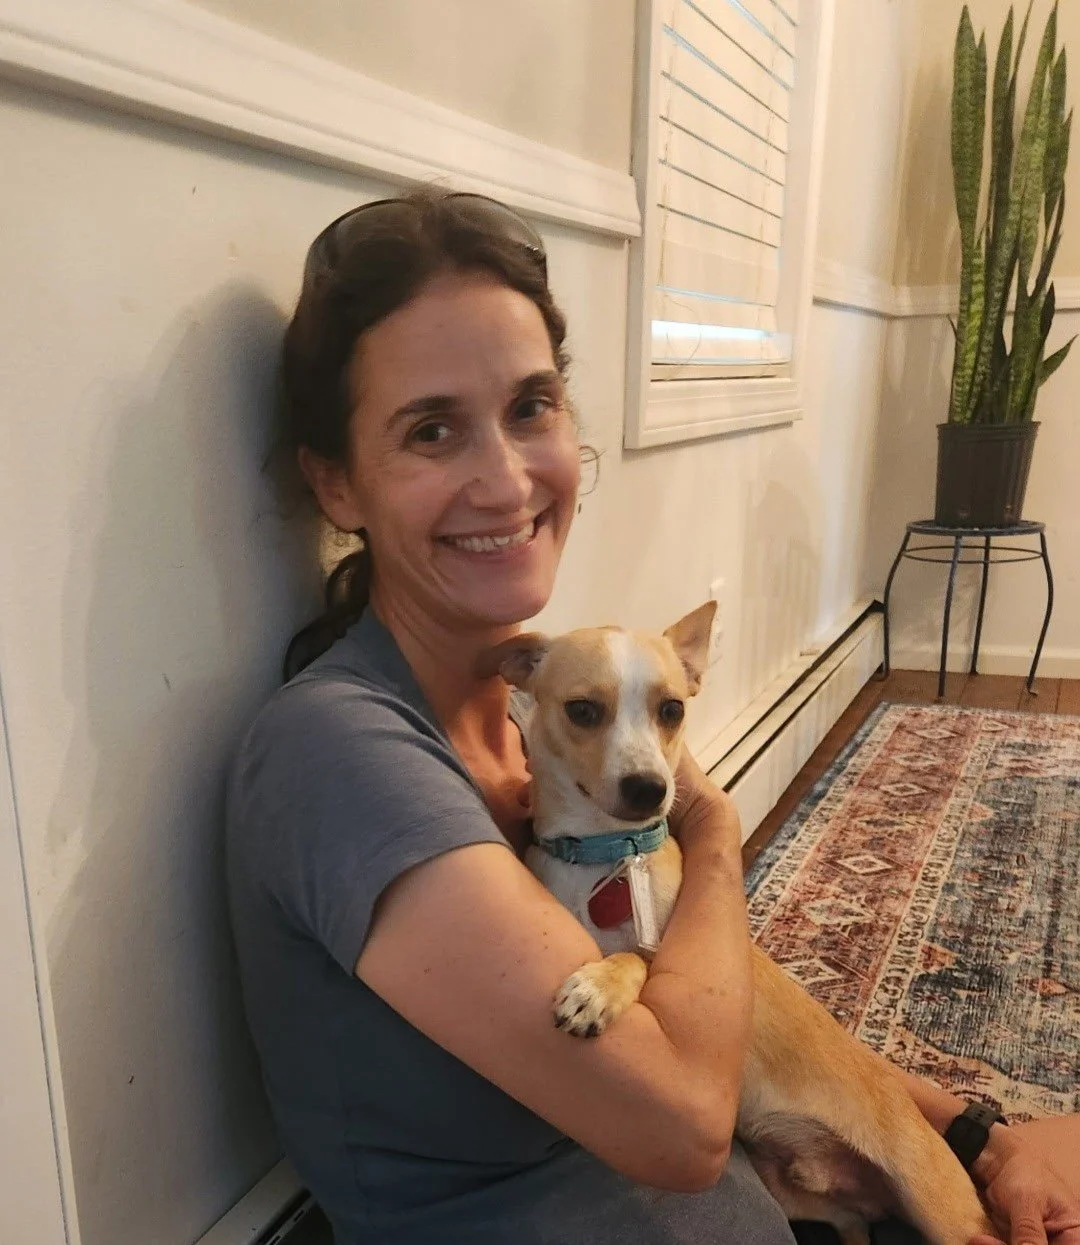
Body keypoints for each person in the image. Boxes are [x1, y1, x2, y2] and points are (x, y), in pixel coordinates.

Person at [225, 189, 1080, 1245]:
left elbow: (736, 997)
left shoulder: (534, 730)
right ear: (336, 484)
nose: (504, 479)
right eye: (431, 429)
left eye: (532, 407)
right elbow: (681, 1127)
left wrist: (973, 1134)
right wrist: (712, 834)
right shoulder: (342, 757)